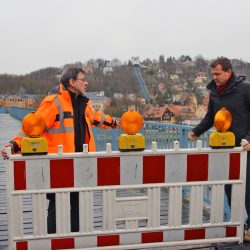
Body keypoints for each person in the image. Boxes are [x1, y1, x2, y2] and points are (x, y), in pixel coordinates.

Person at [1, 65, 119, 233]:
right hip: (60, 165)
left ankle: (77, 240)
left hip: (81, 164)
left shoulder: (83, 103)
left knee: (79, 205)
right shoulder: (53, 102)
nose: (86, 83)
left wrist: (113, 122)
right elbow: (34, 126)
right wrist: (15, 144)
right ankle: (53, 241)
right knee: (57, 206)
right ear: (72, 81)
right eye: (82, 80)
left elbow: (95, 118)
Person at [188, 57, 250, 241]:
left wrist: (249, 139)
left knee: (248, 190)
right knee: (230, 189)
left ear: (228, 72)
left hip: (245, 148)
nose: (214, 77)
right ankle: (238, 223)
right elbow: (210, 117)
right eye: (212, 74)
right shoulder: (214, 93)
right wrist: (196, 131)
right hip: (225, 148)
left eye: (218, 73)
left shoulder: (245, 89)